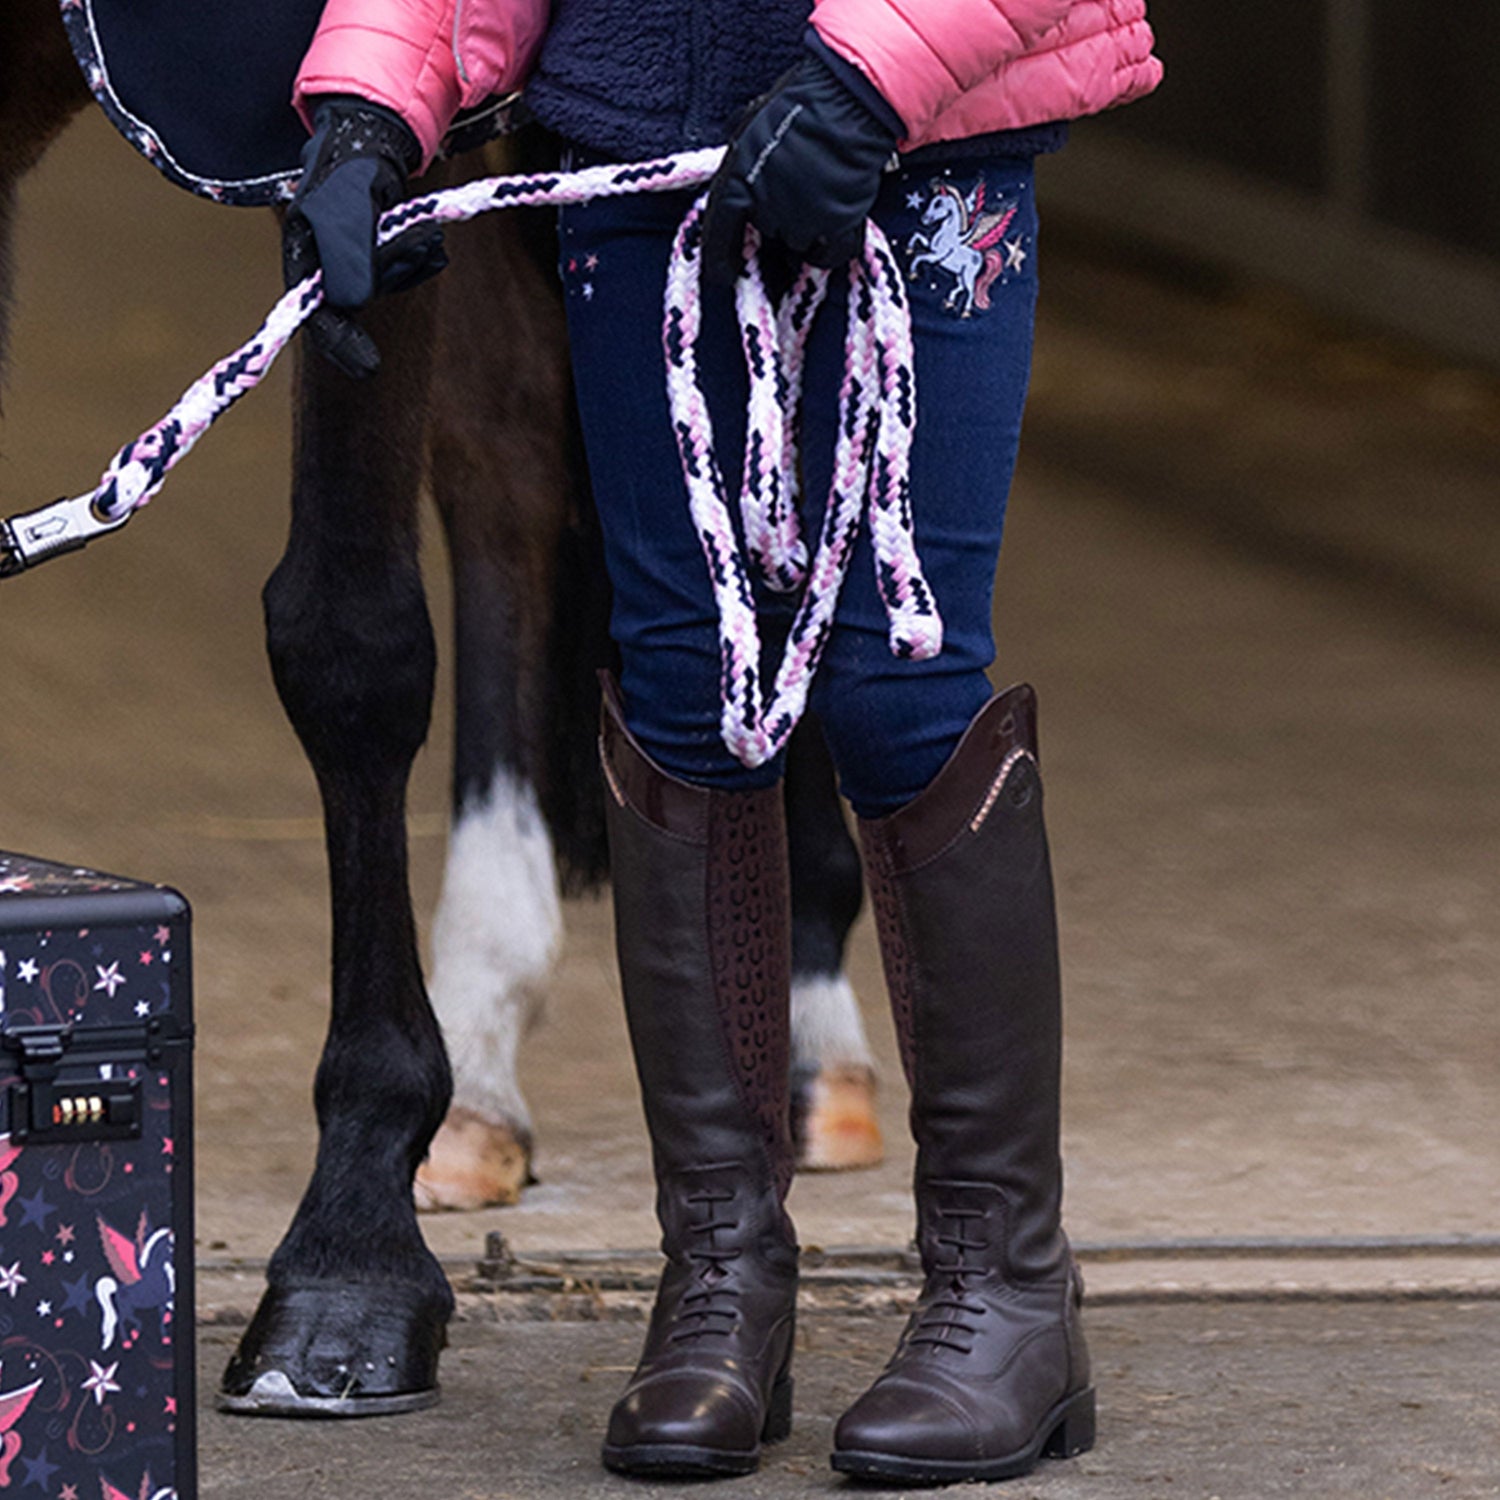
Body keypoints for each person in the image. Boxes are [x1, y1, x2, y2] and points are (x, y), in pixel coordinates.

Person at [284, 0, 1161, 1483]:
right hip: (644, 155)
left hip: (914, 154)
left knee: (900, 686)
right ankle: (721, 1277)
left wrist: (867, 76)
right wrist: (377, 103)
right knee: (686, 687)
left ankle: (1002, 1288)